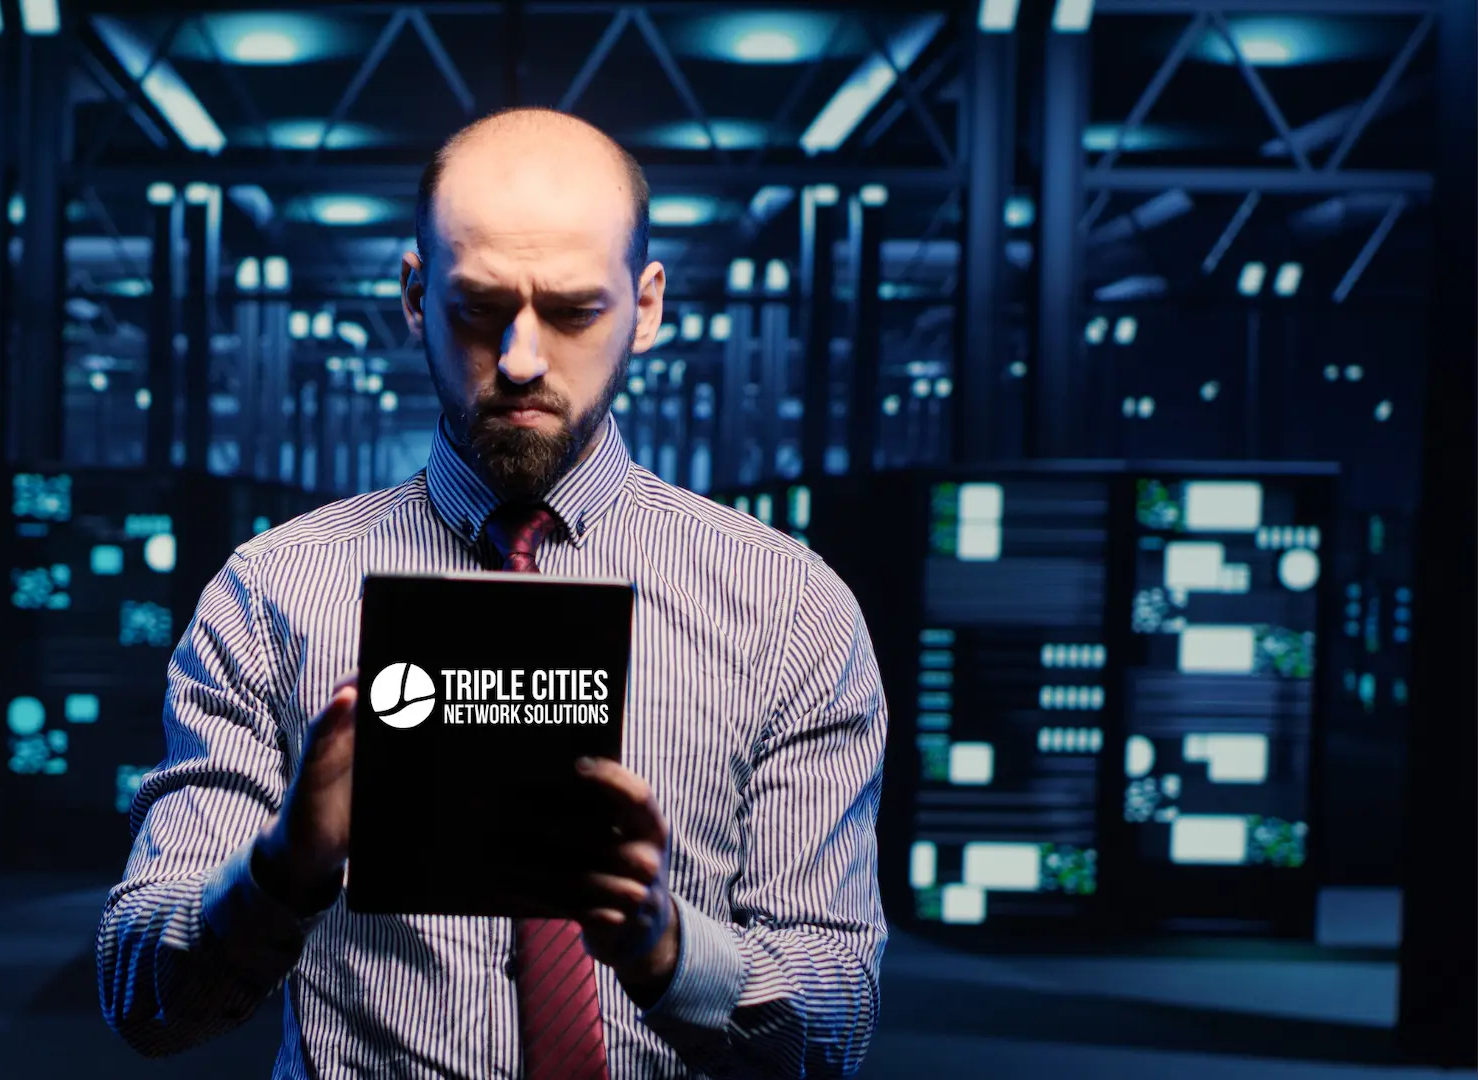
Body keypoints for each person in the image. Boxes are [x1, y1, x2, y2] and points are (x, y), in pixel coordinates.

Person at [96, 107, 888, 1079]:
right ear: (415, 297)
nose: (520, 358)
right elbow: (142, 998)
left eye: (571, 310)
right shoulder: (275, 597)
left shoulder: (786, 610)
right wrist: (282, 869)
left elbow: (837, 1020)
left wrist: (668, 950)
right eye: (479, 306)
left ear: (646, 307)